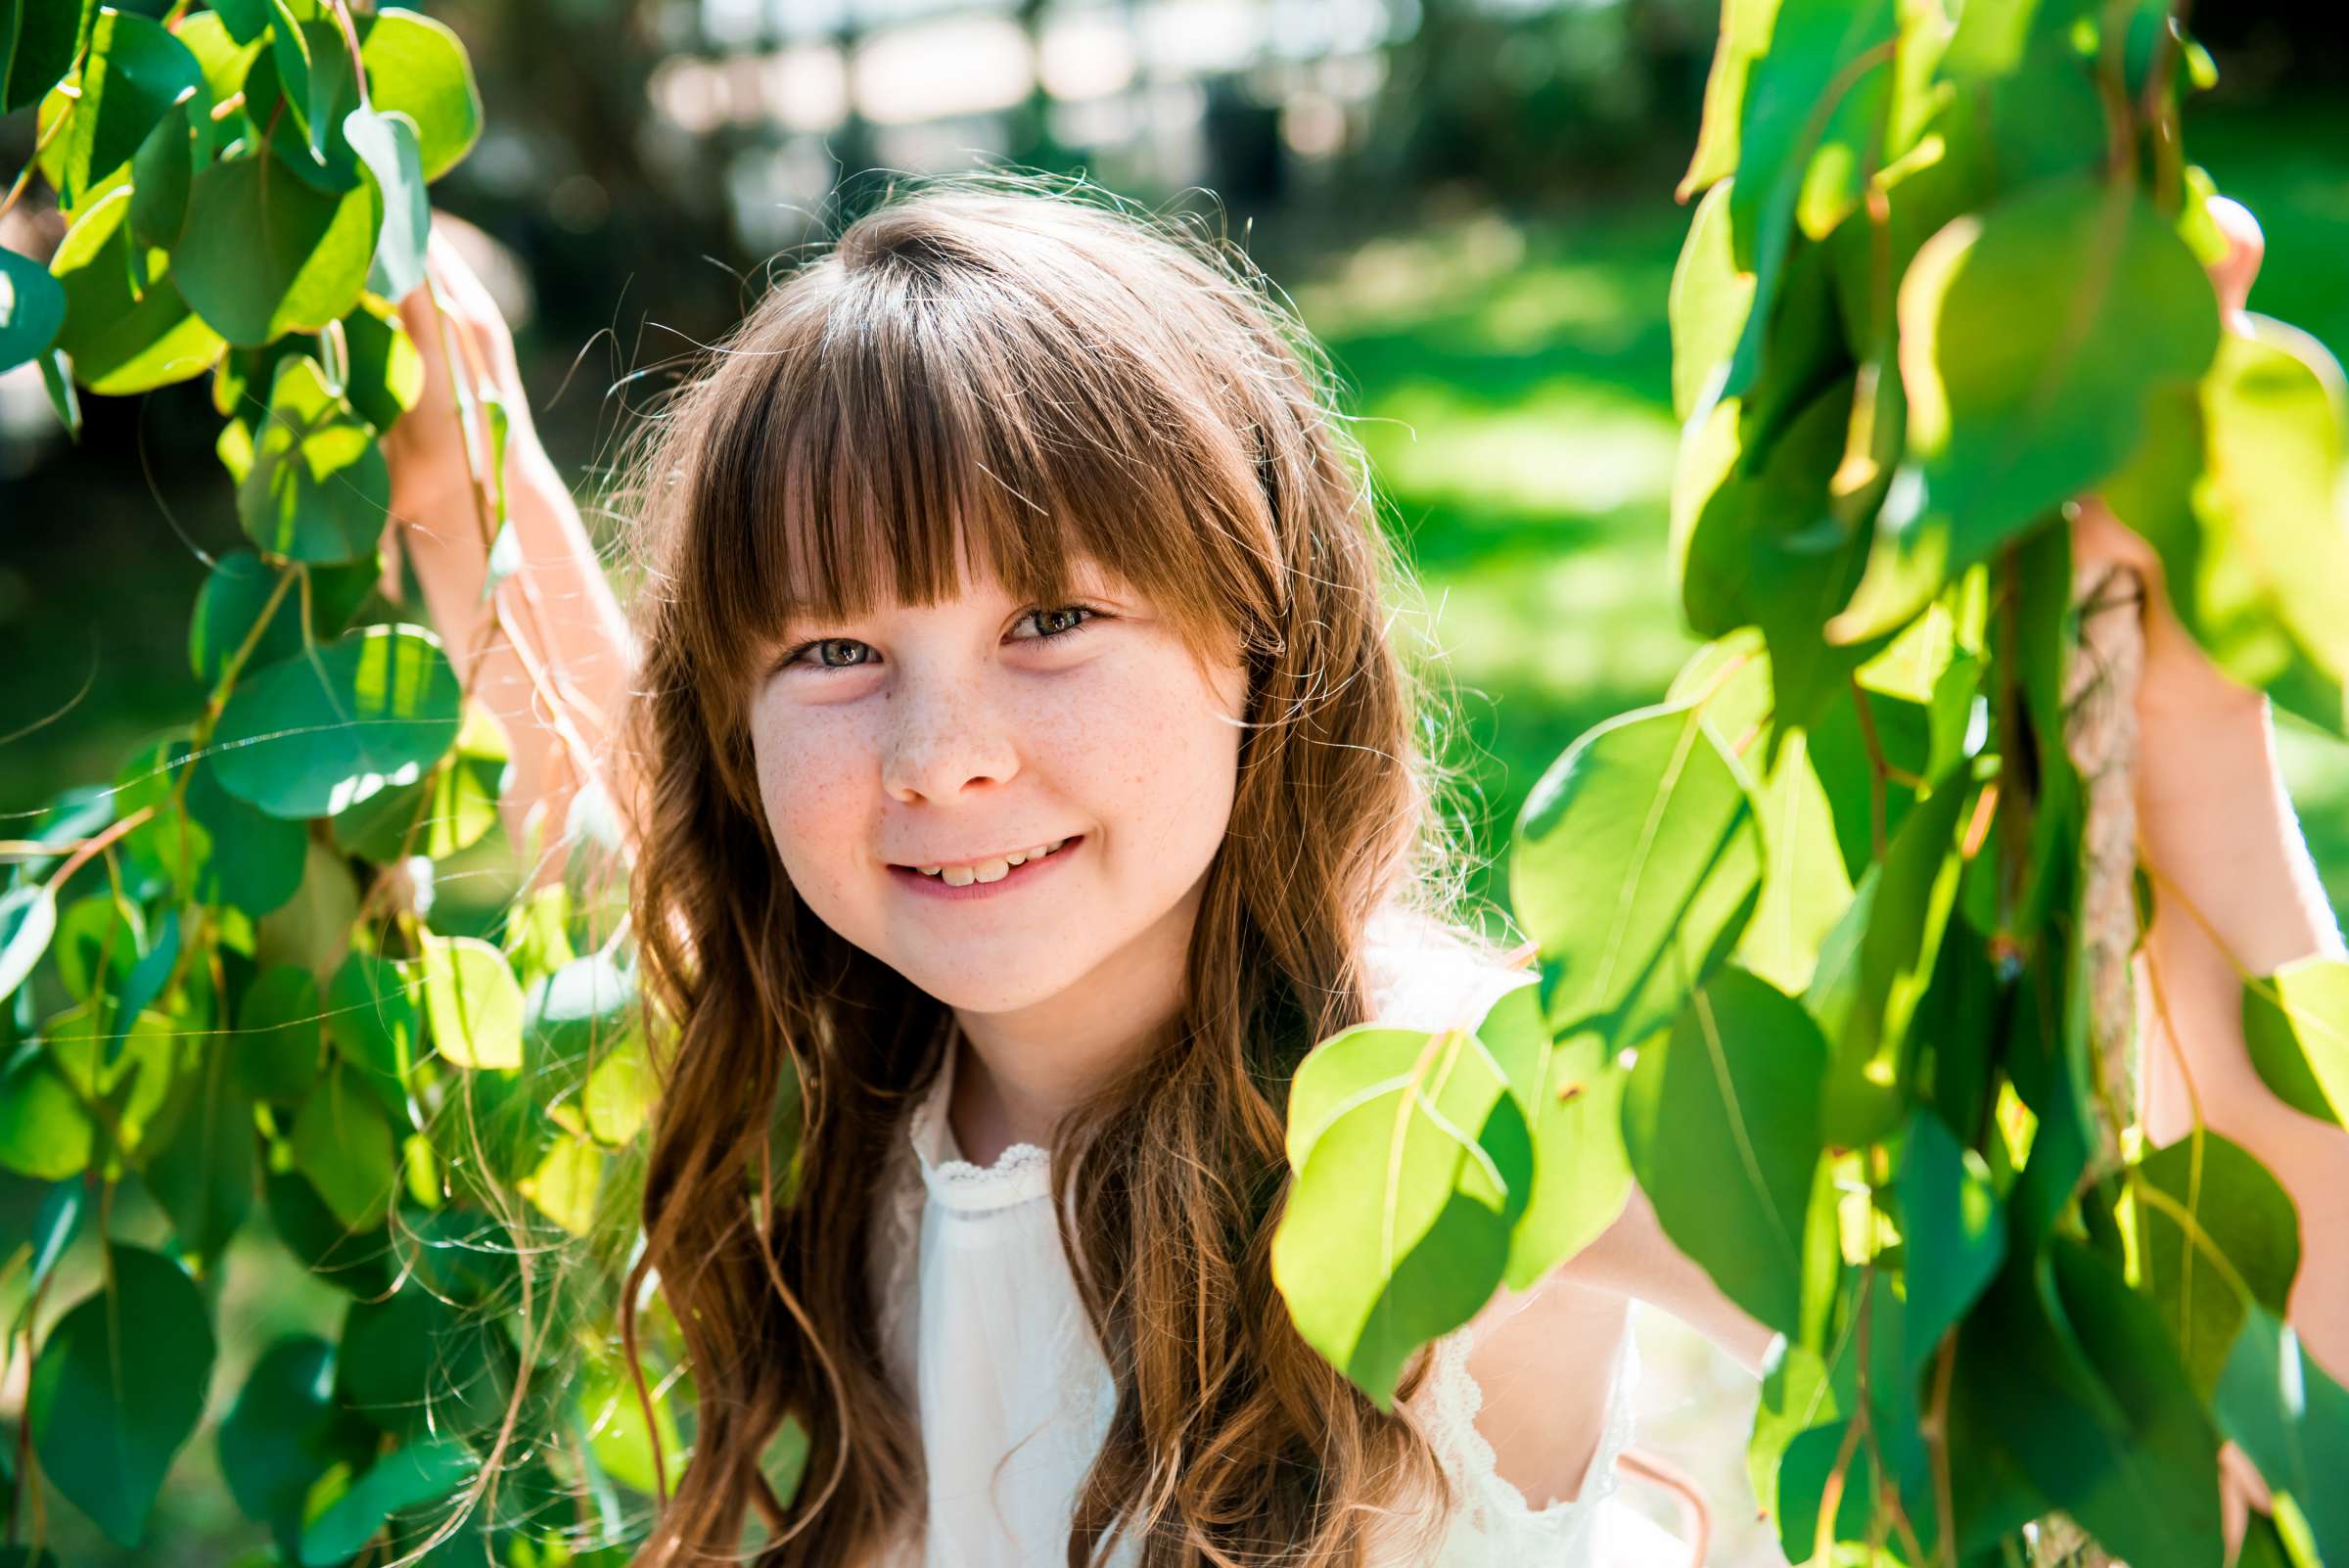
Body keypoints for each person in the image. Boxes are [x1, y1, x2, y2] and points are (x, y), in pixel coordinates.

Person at [378, 172, 2342, 1568]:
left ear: (1263, 638)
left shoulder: (1486, 1119)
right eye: (834, 652)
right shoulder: (847, 1068)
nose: (935, 753)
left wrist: (2189, 733)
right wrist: (470, 491)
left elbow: (2221, 1397)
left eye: (1055, 617)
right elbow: (620, 810)